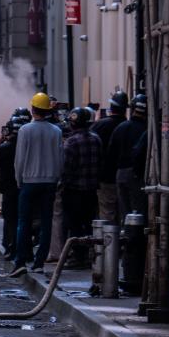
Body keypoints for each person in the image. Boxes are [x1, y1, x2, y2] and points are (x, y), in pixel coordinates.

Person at [8, 92, 63, 278]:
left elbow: (20, 159)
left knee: (24, 222)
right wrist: (56, 178)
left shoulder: (25, 130)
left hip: (29, 182)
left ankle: (21, 261)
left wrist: (19, 180)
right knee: (46, 222)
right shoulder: (56, 131)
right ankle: (39, 263)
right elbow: (59, 159)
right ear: (48, 110)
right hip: (49, 182)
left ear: (32, 109)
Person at [61, 107, 102, 267]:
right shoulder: (96, 139)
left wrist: (62, 185)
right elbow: (100, 163)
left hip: (74, 191)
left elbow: (66, 168)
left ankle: (78, 257)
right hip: (91, 190)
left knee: (74, 225)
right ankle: (90, 255)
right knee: (88, 223)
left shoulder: (71, 142)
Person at [0, 113, 27, 260]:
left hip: (8, 189)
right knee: (24, 219)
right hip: (25, 187)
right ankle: (24, 250)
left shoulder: (3, 148)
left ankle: (9, 247)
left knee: (10, 220)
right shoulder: (27, 146)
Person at [109, 93, 148, 224]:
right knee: (138, 212)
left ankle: (126, 237)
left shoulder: (121, 128)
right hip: (139, 175)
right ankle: (137, 241)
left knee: (125, 212)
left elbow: (111, 154)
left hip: (121, 174)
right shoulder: (147, 130)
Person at [91, 89, 128, 222]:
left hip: (105, 178)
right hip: (127, 179)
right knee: (125, 215)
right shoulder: (127, 126)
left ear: (111, 107)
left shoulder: (99, 125)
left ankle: (109, 242)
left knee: (107, 214)